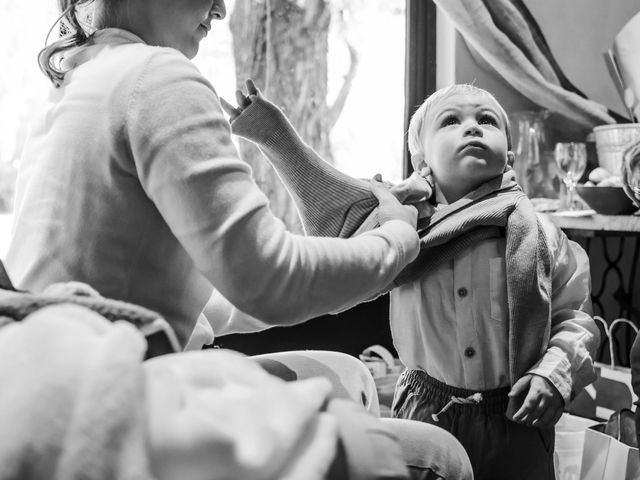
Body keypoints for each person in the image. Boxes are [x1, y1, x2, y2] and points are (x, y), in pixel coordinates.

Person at [4, 1, 474, 478]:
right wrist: (397, 238)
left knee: (348, 373)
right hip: (117, 401)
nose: (223, 10)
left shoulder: (73, 89)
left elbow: (197, 288)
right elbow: (268, 279)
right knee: (442, 455)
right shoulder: (158, 75)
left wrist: (341, 280)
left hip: (45, 385)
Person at [221, 82, 601, 480]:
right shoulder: (401, 227)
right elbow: (336, 234)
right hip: (426, 410)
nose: (472, 127)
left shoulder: (542, 235)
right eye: (451, 121)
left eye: (486, 120)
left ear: (508, 154)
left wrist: (554, 374)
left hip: (517, 415)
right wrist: (274, 135)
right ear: (421, 159)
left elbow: (575, 319)